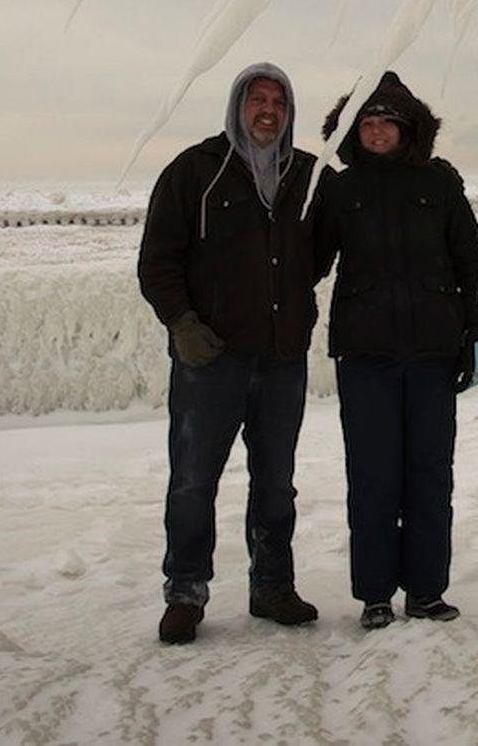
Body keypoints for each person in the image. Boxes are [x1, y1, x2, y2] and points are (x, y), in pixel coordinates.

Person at [137, 63, 323, 645]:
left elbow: (333, 244)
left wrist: (294, 303)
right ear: (237, 107)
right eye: (256, 100)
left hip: (282, 360)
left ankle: (271, 587)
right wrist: (183, 324)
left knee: (276, 483)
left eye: (278, 101)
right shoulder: (195, 171)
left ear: (290, 112)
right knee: (193, 482)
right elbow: (157, 261)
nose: (268, 110)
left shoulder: (310, 176)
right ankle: (185, 594)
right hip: (209, 362)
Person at [316, 71, 478, 630]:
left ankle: (425, 591)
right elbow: (310, 260)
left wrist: (477, 334)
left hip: (433, 355)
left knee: (429, 473)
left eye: (386, 122)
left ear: (407, 128)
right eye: (366, 122)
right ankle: (374, 594)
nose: (376, 131)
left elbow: (472, 262)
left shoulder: (439, 183)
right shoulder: (339, 190)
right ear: (353, 131)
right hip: (365, 356)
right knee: (372, 474)